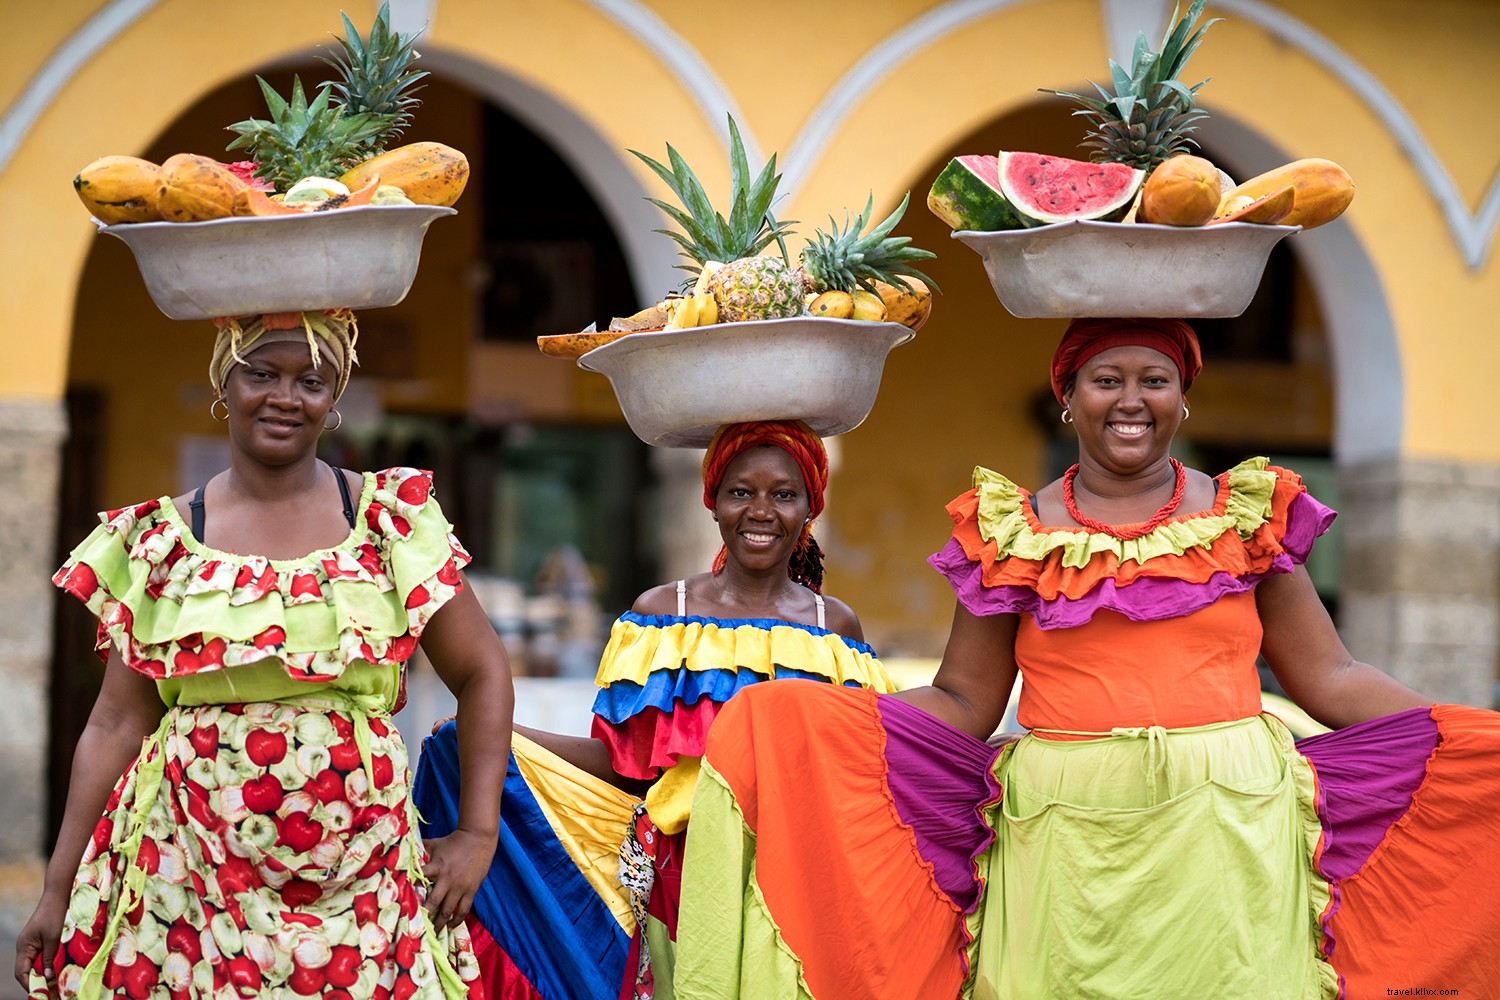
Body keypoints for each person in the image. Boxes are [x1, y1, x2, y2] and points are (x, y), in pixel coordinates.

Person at [674, 317, 1500, 998]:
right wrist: (813, 719)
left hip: (1230, 841)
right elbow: (965, 700)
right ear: (1067, 398)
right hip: (1061, 849)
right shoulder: (1011, 532)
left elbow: (1332, 678)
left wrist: (1466, 734)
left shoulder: (1247, 516)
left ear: (1183, 397)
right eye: (1106, 379)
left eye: (1155, 379)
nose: (1130, 400)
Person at [13, 309, 515, 1000]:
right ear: (225, 382)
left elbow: (483, 670)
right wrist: (57, 888)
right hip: (186, 874)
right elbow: (115, 724)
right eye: (262, 374)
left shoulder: (385, 524)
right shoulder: (165, 545)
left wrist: (478, 834)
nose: (286, 397)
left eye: (312, 381)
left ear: (333, 399)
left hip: (359, 876)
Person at [411, 419, 895, 999]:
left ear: (810, 506)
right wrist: (501, 736)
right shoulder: (661, 615)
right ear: (712, 500)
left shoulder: (834, 627)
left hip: (797, 875)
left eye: (784, 494)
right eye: (741, 491)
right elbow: (624, 765)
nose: (761, 511)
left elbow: (859, 772)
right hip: (682, 877)